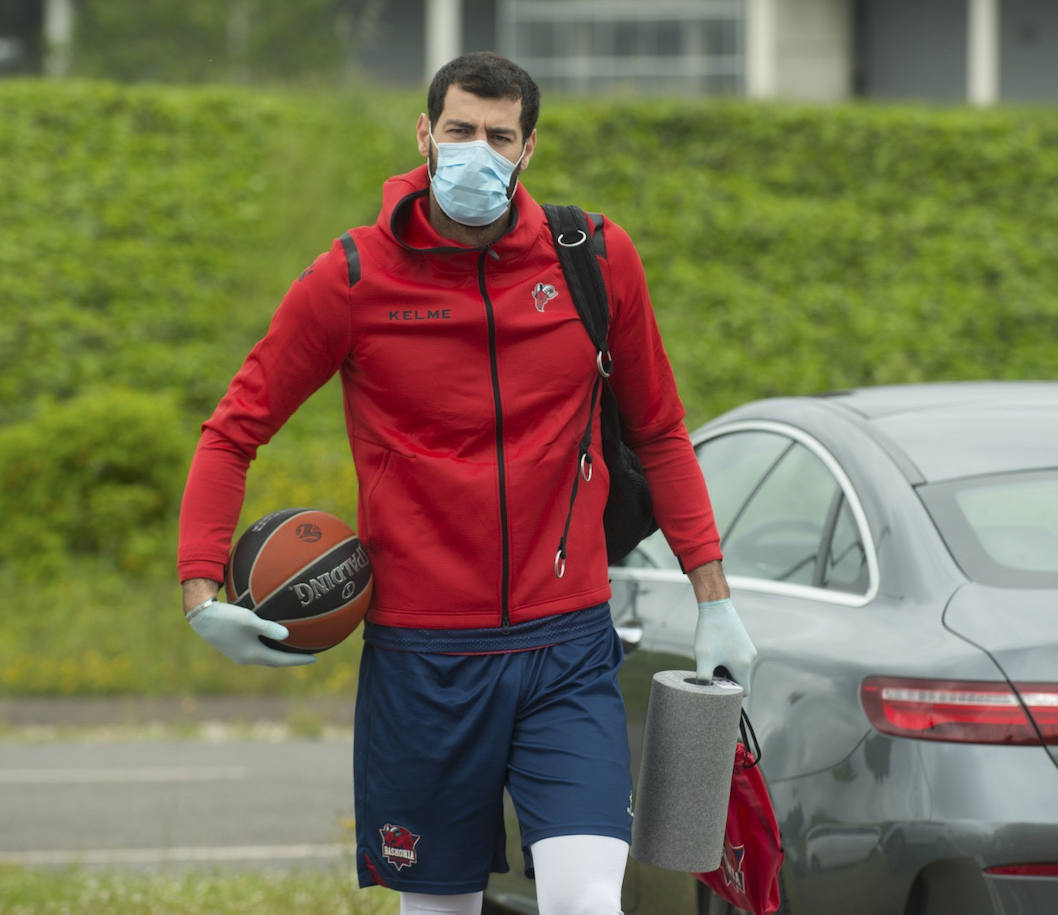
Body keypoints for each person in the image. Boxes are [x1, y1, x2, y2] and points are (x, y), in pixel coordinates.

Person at [177, 52, 756, 915]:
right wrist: (200, 591)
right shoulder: (352, 278)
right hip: (423, 661)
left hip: (567, 646)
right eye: (459, 131)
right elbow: (234, 430)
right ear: (424, 133)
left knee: (587, 898)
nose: (475, 151)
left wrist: (714, 596)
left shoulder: (593, 258)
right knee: (439, 909)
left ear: (528, 149)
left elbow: (662, 432)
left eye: (498, 136)